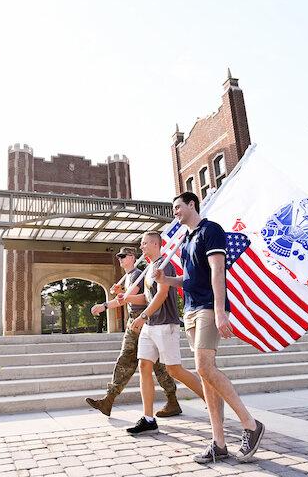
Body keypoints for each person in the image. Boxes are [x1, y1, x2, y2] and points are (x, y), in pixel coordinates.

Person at [154, 191, 265, 463]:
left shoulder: (211, 230)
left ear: (192, 205)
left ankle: (251, 425)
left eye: (178, 207)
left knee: (205, 367)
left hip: (207, 307)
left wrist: (220, 311)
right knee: (204, 375)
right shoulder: (186, 239)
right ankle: (218, 443)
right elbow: (189, 279)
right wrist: (166, 279)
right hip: (190, 309)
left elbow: (218, 271)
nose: (175, 213)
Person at [118, 231, 205, 435]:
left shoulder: (164, 265)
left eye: (145, 243)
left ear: (156, 244)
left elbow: (162, 294)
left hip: (166, 324)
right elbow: (147, 298)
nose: (141, 247)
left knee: (174, 370)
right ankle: (148, 418)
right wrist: (127, 299)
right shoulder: (149, 268)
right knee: (144, 365)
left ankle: (210, 399)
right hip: (151, 325)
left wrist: (143, 317)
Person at [85, 246, 182, 418]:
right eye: (118, 256)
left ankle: (172, 400)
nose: (120, 259)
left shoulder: (138, 275)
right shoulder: (130, 277)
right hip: (135, 320)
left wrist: (105, 305)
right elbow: (127, 297)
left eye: (123, 256)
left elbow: (134, 299)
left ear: (132, 257)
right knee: (134, 360)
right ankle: (109, 399)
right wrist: (121, 292)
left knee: (153, 364)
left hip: (143, 319)